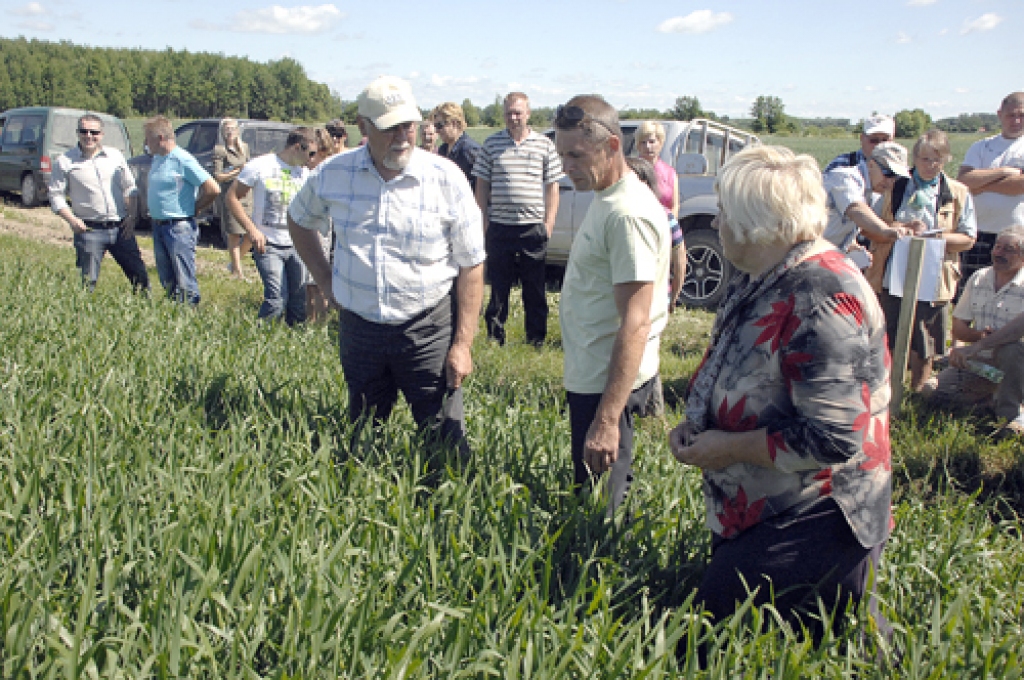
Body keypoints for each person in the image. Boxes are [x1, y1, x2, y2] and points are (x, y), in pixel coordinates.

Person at [669, 145, 892, 654]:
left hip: (817, 513)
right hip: (768, 502)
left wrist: (726, 447)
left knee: (701, 645)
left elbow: (833, 437)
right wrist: (698, 424)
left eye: (726, 211)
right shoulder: (763, 274)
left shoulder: (822, 295)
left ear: (755, 225)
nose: (718, 221)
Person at [288, 75, 485, 454]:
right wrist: (326, 281)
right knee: (362, 434)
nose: (402, 136)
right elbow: (298, 219)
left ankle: (447, 505)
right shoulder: (335, 173)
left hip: (427, 330)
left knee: (444, 438)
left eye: (408, 125)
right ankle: (364, 500)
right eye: (389, 127)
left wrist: (462, 343)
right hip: (360, 330)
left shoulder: (445, 178)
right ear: (362, 126)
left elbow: (472, 264)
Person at [554, 95, 670, 513]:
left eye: (577, 155)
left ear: (613, 146)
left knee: (603, 507)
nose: (567, 166)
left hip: (607, 382)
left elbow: (635, 323)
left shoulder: (627, 214)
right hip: (594, 372)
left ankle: (602, 573)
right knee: (591, 497)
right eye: (561, 154)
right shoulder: (609, 196)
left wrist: (606, 421)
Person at [868, 131, 977, 393]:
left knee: (925, 338)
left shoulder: (958, 192)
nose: (929, 165)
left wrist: (939, 237)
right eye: (924, 159)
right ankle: (889, 390)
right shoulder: (895, 186)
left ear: (947, 160)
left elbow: (968, 238)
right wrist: (899, 228)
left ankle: (917, 391)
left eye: (936, 160)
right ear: (914, 157)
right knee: (890, 331)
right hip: (892, 270)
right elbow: (871, 225)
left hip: (935, 275)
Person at [474, 92, 564, 347]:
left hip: (532, 229)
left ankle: (536, 340)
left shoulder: (544, 145)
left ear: (528, 113)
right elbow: (482, 186)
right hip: (500, 227)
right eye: (509, 113)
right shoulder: (491, 145)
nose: (513, 117)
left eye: (518, 112)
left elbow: (552, 187)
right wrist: (483, 222)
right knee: (499, 288)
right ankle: (494, 338)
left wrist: (548, 224)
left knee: (534, 289)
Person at [930, 225, 1024, 439]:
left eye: (1008, 249)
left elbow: (1019, 328)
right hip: (982, 363)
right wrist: (978, 337)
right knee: (935, 394)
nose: (998, 253)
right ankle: (989, 402)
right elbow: (959, 328)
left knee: (1012, 349)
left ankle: (1008, 419)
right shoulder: (979, 278)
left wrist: (980, 345)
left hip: (1018, 366)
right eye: (997, 247)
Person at [48, 113, 149, 292]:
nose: (89, 136)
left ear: (102, 134)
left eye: (93, 132)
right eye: (84, 131)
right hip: (89, 230)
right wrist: (72, 221)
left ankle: (148, 313)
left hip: (121, 229)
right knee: (88, 283)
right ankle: (84, 316)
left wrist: (132, 217)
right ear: (77, 133)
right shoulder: (65, 161)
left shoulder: (115, 156)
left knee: (140, 279)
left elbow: (130, 187)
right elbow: (55, 195)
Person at [225, 127, 313, 326]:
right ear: (298, 147)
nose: (312, 159)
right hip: (268, 244)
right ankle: (259, 341)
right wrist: (252, 230)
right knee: (276, 300)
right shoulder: (260, 165)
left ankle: (293, 347)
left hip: (297, 245)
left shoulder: (305, 174)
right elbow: (232, 197)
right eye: (311, 153)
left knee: (298, 304)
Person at [144, 115, 220, 305]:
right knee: (167, 277)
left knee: (184, 279)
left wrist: (197, 207)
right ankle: (173, 314)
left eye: (148, 138)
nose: (146, 143)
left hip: (178, 227)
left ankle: (189, 314)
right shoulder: (158, 159)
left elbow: (213, 188)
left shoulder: (183, 160)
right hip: (159, 225)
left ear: (160, 138)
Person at [957, 92, 1024, 264]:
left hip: (1017, 237)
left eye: (1021, 115)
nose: (1016, 121)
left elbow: (1019, 185)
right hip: (979, 233)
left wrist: (981, 184)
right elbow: (964, 181)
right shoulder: (981, 147)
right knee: (972, 287)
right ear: (1000, 115)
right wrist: (1004, 172)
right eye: (1011, 115)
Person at [822, 141, 910, 255]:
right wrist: (885, 230)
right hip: (805, 254)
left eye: (896, 177)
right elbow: (855, 209)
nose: (890, 182)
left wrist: (851, 245)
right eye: (888, 173)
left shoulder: (870, 192)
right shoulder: (845, 177)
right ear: (871, 164)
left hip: (826, 255)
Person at [303, 127, 336, 323]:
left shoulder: (328, 171)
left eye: (313, 153)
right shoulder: (306, 171)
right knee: (307, 284)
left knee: (318, 282)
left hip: (322, 226)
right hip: (306, 225)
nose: (309, 158)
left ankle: (321, 323)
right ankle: (309, 320)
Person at [212, 118, 252, 279]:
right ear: (222, 132)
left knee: (250, 233)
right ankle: (237, 272)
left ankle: (235, 263)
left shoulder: (244, 148)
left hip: (247, 196)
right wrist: (237, 171)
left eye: (233, 128)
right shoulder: (220, 150)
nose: (230, 131)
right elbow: (218, 176)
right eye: (227, 129)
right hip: (231, 195)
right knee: (234, 234)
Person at [824, 114, 895, 179]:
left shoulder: (898, 170)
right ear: (862, 138)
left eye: (885, 140)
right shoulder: (840, 164)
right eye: (874, 140)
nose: (879, 145)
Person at [433, 102, 482, 188]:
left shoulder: (470, 151)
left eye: (440, 126)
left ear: (454, 123)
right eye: (435, 126)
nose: (437, 131)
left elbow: (481, 186)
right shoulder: (443, 150)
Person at [636, 120, 679, 216]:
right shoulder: (630, 170)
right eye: (643, 142)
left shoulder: (670, 173)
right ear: (638, 145)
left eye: (652, 141)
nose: (647, 146)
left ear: (660, 143)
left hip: (665, 227)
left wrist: (668, 226)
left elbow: (675, 206)